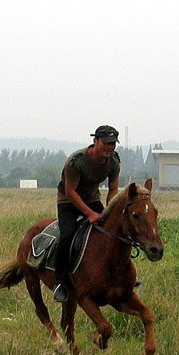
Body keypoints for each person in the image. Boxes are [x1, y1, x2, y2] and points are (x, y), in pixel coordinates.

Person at [53, 125, 121, 302]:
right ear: (95, 141)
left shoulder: (113, 162)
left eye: (113, 144)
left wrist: (110, 210)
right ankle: (60, 283)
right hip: (68, 201)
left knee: (114, 231)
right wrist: (90, 214)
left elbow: (113, 189)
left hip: (92, 199)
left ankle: (121, 276)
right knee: (67, 236)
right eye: (106, 143)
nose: (110, 147)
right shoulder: (77, 161)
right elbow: (70, 191)